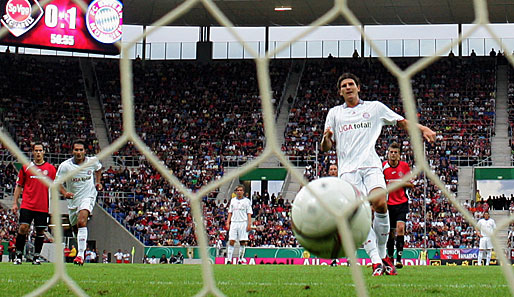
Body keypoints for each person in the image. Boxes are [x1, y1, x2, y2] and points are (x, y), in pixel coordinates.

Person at [321, 72, 436, 276]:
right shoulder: (334, 113)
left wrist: (422, 128)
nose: (348, 87)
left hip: (371, 166)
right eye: (344, 86)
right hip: (348, 172)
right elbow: (326, 146)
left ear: (358, 87)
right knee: (362, 215)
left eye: (351, 84)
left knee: (380, 203)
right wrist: (326, 139)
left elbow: (401, 122)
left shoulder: (374, 108)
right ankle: (377, 261)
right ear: (340, 92)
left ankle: (383, 256)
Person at [56, 139, 102, 266]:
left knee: (82, 221)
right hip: (73, 201)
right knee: (76, 227)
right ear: (72, 151)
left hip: (88, 196)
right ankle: (81, 248)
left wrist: (98, 182)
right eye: (76, 149)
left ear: (85, 151)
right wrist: (65, 193)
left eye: (81, 150)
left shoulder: (92, 162)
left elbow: (98, 169)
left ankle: (81, 255)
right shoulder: (65, 166)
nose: (78, 152)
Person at [12, 142, 57, 265]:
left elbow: (55, 186)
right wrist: (15, 203)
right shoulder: (26, 167)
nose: (38, 153)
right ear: (32, 152)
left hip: (42, 206)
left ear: (44, 152)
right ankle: (18, 255)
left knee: (40, 231)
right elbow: (19, 186)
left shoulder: (50, 169)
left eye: (40, 150)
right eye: (36, 150)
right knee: (23, 228)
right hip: (27, 204)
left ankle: (36, 257)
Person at [383, 142, 414, 269]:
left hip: (402, 202)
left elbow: (411, 184)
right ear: (388, 154)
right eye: (391, 152)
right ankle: (390, 256)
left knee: (400, 228)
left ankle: (399, 259)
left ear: (399, 155)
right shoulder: (383, 167)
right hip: (388, 203)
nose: (393, 155)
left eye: (396, 152)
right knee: (390, 233)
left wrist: (399, 183)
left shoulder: (405, 166)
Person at [225, 185, 253, 264]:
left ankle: (240, 259)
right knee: (231, 240)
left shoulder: (247, 201)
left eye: (241, 190)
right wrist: (228, 222)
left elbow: (249, 213)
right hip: (234, 222)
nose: (239, 192)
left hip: (243, 222)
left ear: (243, 192)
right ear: (236, 191)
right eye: (238, 190)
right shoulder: (233, 200)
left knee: (242, 242)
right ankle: (229, 260)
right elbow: (230, 212)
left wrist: (249, 224)